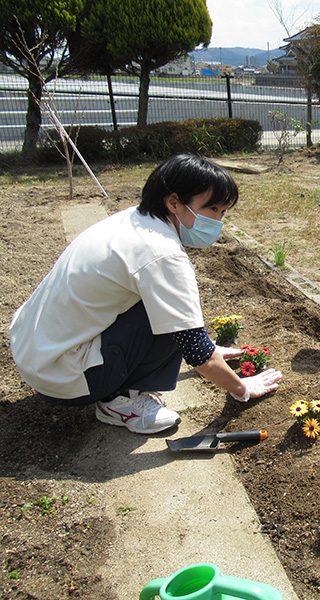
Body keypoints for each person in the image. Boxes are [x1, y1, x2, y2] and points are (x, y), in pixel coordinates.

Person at [9, 154, 282, 435]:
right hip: (64, 378)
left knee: (167, 307)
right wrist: (242, 387)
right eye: (212, 208)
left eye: (223, 211)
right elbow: (195, 350)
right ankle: (118, 402)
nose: (218, 220)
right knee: (173, 318)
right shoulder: (161, 253)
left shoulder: (132, 220)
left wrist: (210, 347)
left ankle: (111, 380)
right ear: (174, 202)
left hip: (36, 351)